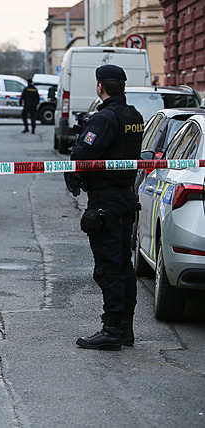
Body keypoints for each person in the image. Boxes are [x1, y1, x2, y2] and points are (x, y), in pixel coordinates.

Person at [64, 64, 144, 351]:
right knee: (124, 265)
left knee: (109, 268)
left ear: (100, 87)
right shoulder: (133, 116)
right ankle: (125, 329)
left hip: (106, 201)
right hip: (124, 199)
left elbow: (85, 154)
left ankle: (111, 330)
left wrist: (76, 171)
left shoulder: (105, 118)